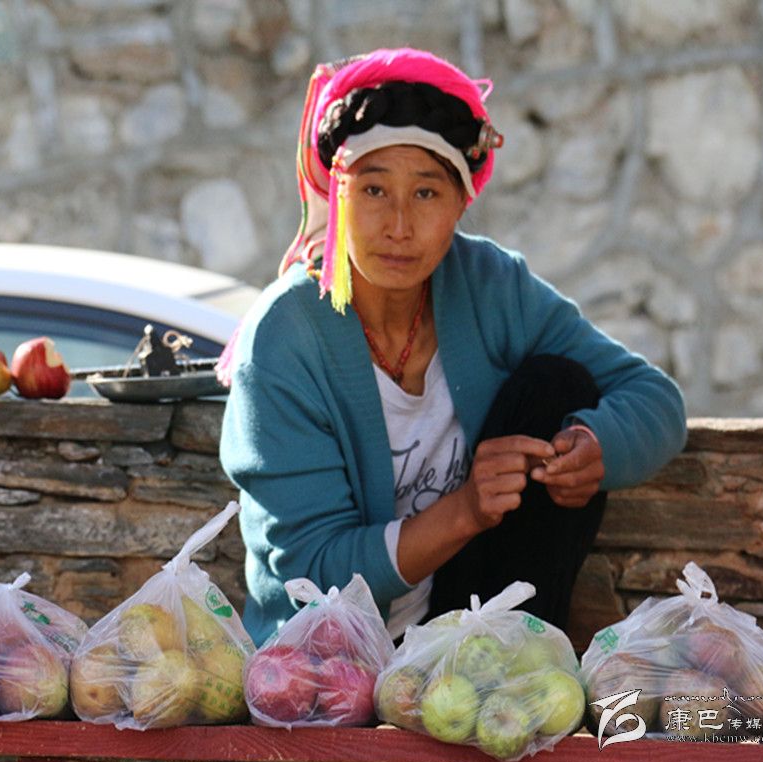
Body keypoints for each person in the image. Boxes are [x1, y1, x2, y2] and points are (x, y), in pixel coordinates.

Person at [217, 48, 686, 647]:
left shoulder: (489, 285)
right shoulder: (286, 336)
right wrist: (465, 510)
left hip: (464, 634)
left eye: (426, 194)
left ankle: (511, 663)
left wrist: (596, 447)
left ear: (462, 202)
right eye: (374, 190)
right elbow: (312, 573)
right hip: (329, 657)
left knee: (559, 387)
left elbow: (655, 398)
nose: (399, 226)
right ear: (338, 194)